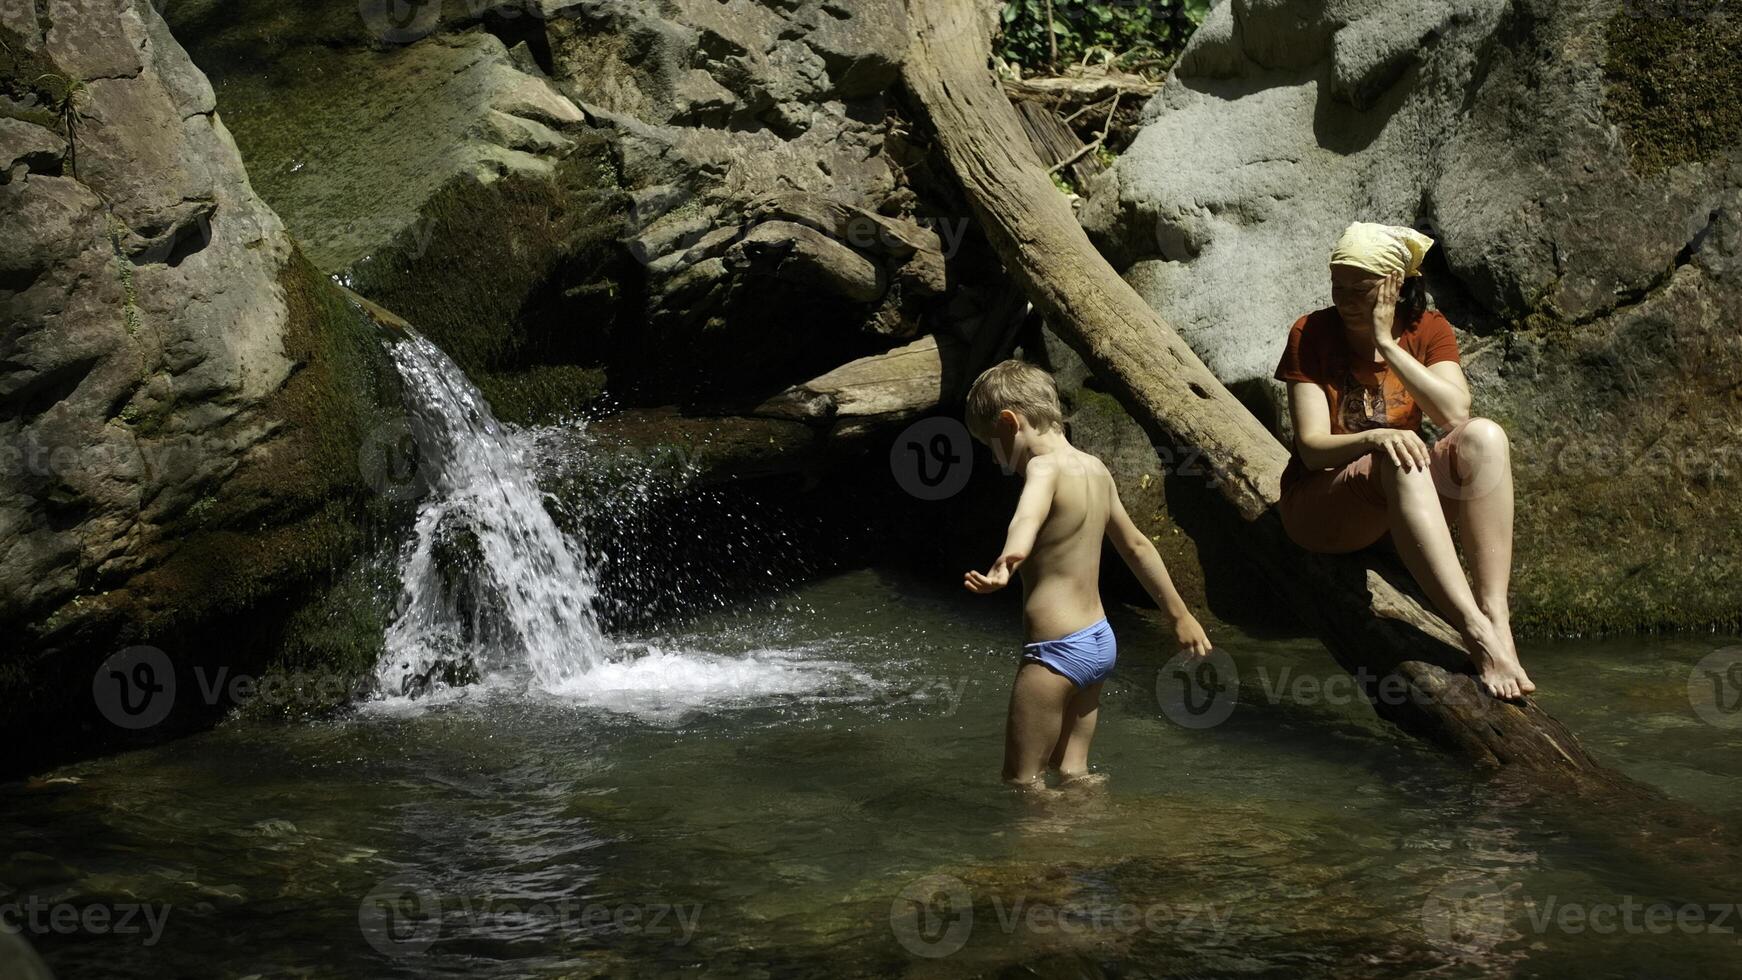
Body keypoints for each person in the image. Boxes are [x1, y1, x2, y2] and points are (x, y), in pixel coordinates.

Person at [1274, 221, 1534, 699]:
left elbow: (1454, 412)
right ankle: (1475, 632)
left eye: (1362, 290)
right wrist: (1373, 440)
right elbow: (1311, 447)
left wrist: (1387, 344)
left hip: (1398, 507)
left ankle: (1497, 615)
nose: (1346, 300)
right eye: (1338, 288)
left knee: (1485, 438)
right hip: (1322, 508)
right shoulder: (1310, 332)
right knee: (1395, 453)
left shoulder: (1426, 329)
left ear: (1398, 285)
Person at [961, 360, 1213, 787]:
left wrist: (1008, 560)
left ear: (1010, 423)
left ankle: (1041, 853)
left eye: (990, 442)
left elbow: (1027, 517)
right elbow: (1136, 546)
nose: (993, 456)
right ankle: (1089, 844)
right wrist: (1179, 616)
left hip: (1056, 650)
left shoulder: (1043, 469)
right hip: (1098, 643)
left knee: (1022, 781)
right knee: (1074, 772)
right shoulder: (1096, 468)